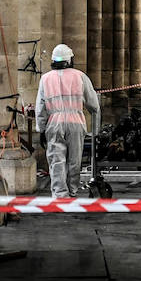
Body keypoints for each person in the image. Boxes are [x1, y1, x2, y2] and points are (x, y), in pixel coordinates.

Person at [34, 42, 100, 197]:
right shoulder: (80, 76)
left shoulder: (45, 79)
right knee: (74, 160)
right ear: (70, 60)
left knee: (56, 161)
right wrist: (96, 130)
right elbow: (94, 105)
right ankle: (72, 191)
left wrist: (41, 129)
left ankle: (59, 194)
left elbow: (40, 108)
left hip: (54, 123)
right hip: (76, 122)